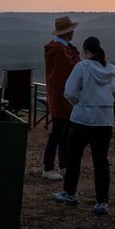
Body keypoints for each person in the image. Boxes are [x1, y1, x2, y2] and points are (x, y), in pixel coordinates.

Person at [55, 35, 115, 216]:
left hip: (82, 119)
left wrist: (79, 102)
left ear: (85, 51)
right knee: (101, 161)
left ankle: (70, 193)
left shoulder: (81, 67)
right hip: (105, 121)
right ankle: (102, 202)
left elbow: (69, 91)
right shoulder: (112, 69)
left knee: (74, 156)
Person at [41, 15, 81, 181]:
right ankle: (48, 167)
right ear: (67, 32)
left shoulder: (62, 48)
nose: (73, 32)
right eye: (71, 29)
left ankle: (63, 165)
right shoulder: (58, 49)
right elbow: (68, 69)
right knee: (57, 133)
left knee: (64, 133)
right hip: (60, 96)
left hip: (64, 95)